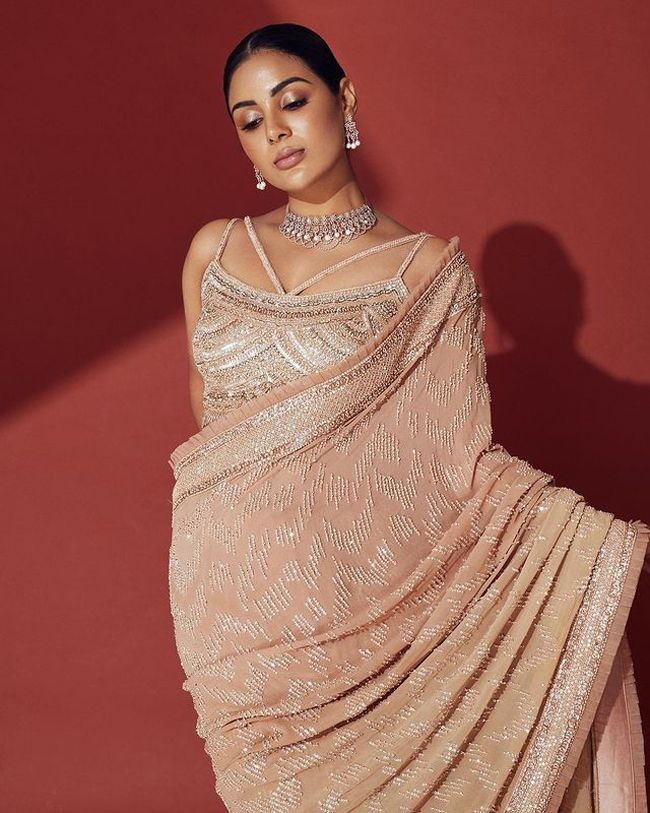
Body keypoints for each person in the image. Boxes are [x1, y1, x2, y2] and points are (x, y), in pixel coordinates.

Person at [167, 22, 650, 813]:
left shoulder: (425, 273)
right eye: (250, 120)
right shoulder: (212, 253)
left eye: (292, 101)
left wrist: (590, 548)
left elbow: (455, 467)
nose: (275, 130)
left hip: (358, 614)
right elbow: (212, 428)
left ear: (344, 98)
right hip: (235, 618)